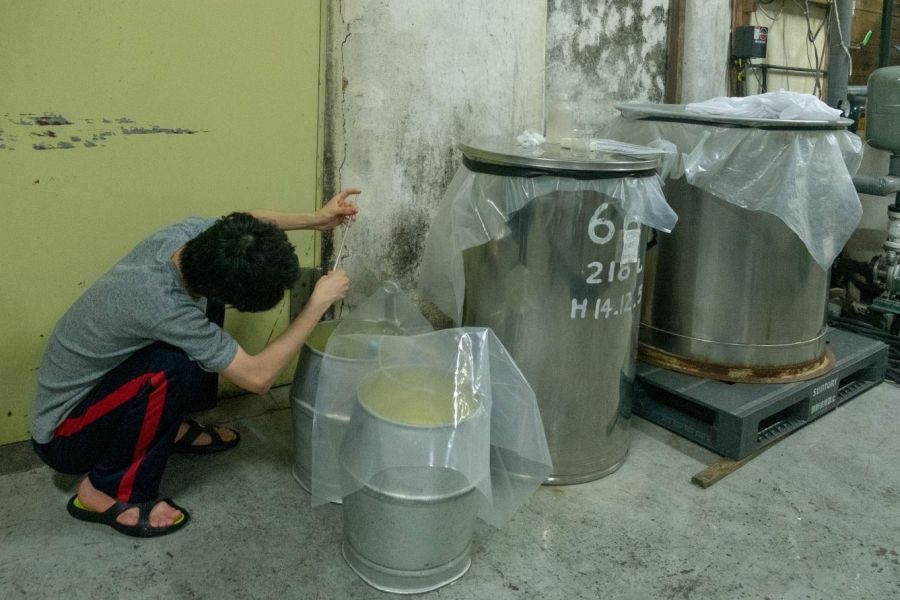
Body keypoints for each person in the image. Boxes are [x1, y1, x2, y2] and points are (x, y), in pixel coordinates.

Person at [30, 189, 360, 538]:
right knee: (171, 366)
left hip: (103, 391)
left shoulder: (194, 239)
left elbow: (247, 223)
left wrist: (317, 220)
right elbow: (258, 378)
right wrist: (317, 303)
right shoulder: (162, 303)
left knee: (203, 312)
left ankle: (173, 428)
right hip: (65, 435)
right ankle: (106, 490)